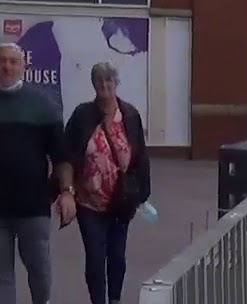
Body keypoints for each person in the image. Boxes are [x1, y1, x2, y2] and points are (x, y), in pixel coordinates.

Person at [65, 62, 151, 304]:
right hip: (88, 202)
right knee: (94, 257)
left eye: (109, 81)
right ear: (93, 85)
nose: (104, 86)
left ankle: (114, 299)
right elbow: (68, 153)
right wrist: (66, 190)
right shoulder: (82, 115)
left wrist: (142, 193)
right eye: (99, 81)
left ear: (116, 83)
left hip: (120, 200)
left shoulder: (130, 115)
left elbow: (140, 155)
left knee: (117, 256)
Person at [0, 42, 74, 304]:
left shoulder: (43, 105)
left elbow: (61, 157)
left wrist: (66, 192)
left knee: (39, 270)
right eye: (2, 60)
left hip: (33, 207)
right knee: (2, 278)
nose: (6, 66)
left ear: (23, 66)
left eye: (13, 61)